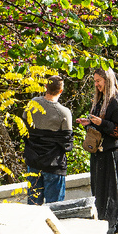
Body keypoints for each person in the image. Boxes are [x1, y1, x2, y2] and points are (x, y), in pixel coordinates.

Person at [76, 67, 118, 234]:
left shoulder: (116, 101)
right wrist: (89, 123)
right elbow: (101, 125)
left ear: (107, 80)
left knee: (109, 189)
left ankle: (109, 226)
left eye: (98, 81)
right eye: (95, 81)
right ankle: (114, 223)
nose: (96, 84)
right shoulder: (99, 101)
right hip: (98, 151)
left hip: (111, 151)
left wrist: (101, 123)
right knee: (99, 189)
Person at [24, 75, 73, 205]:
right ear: (61, 91)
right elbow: (67, 142)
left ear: (45, 87)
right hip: (54, 164)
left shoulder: (33, 103)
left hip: (33, 161)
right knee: (55, 207)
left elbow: (24, 128)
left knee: (33, 206)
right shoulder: (64, 112)